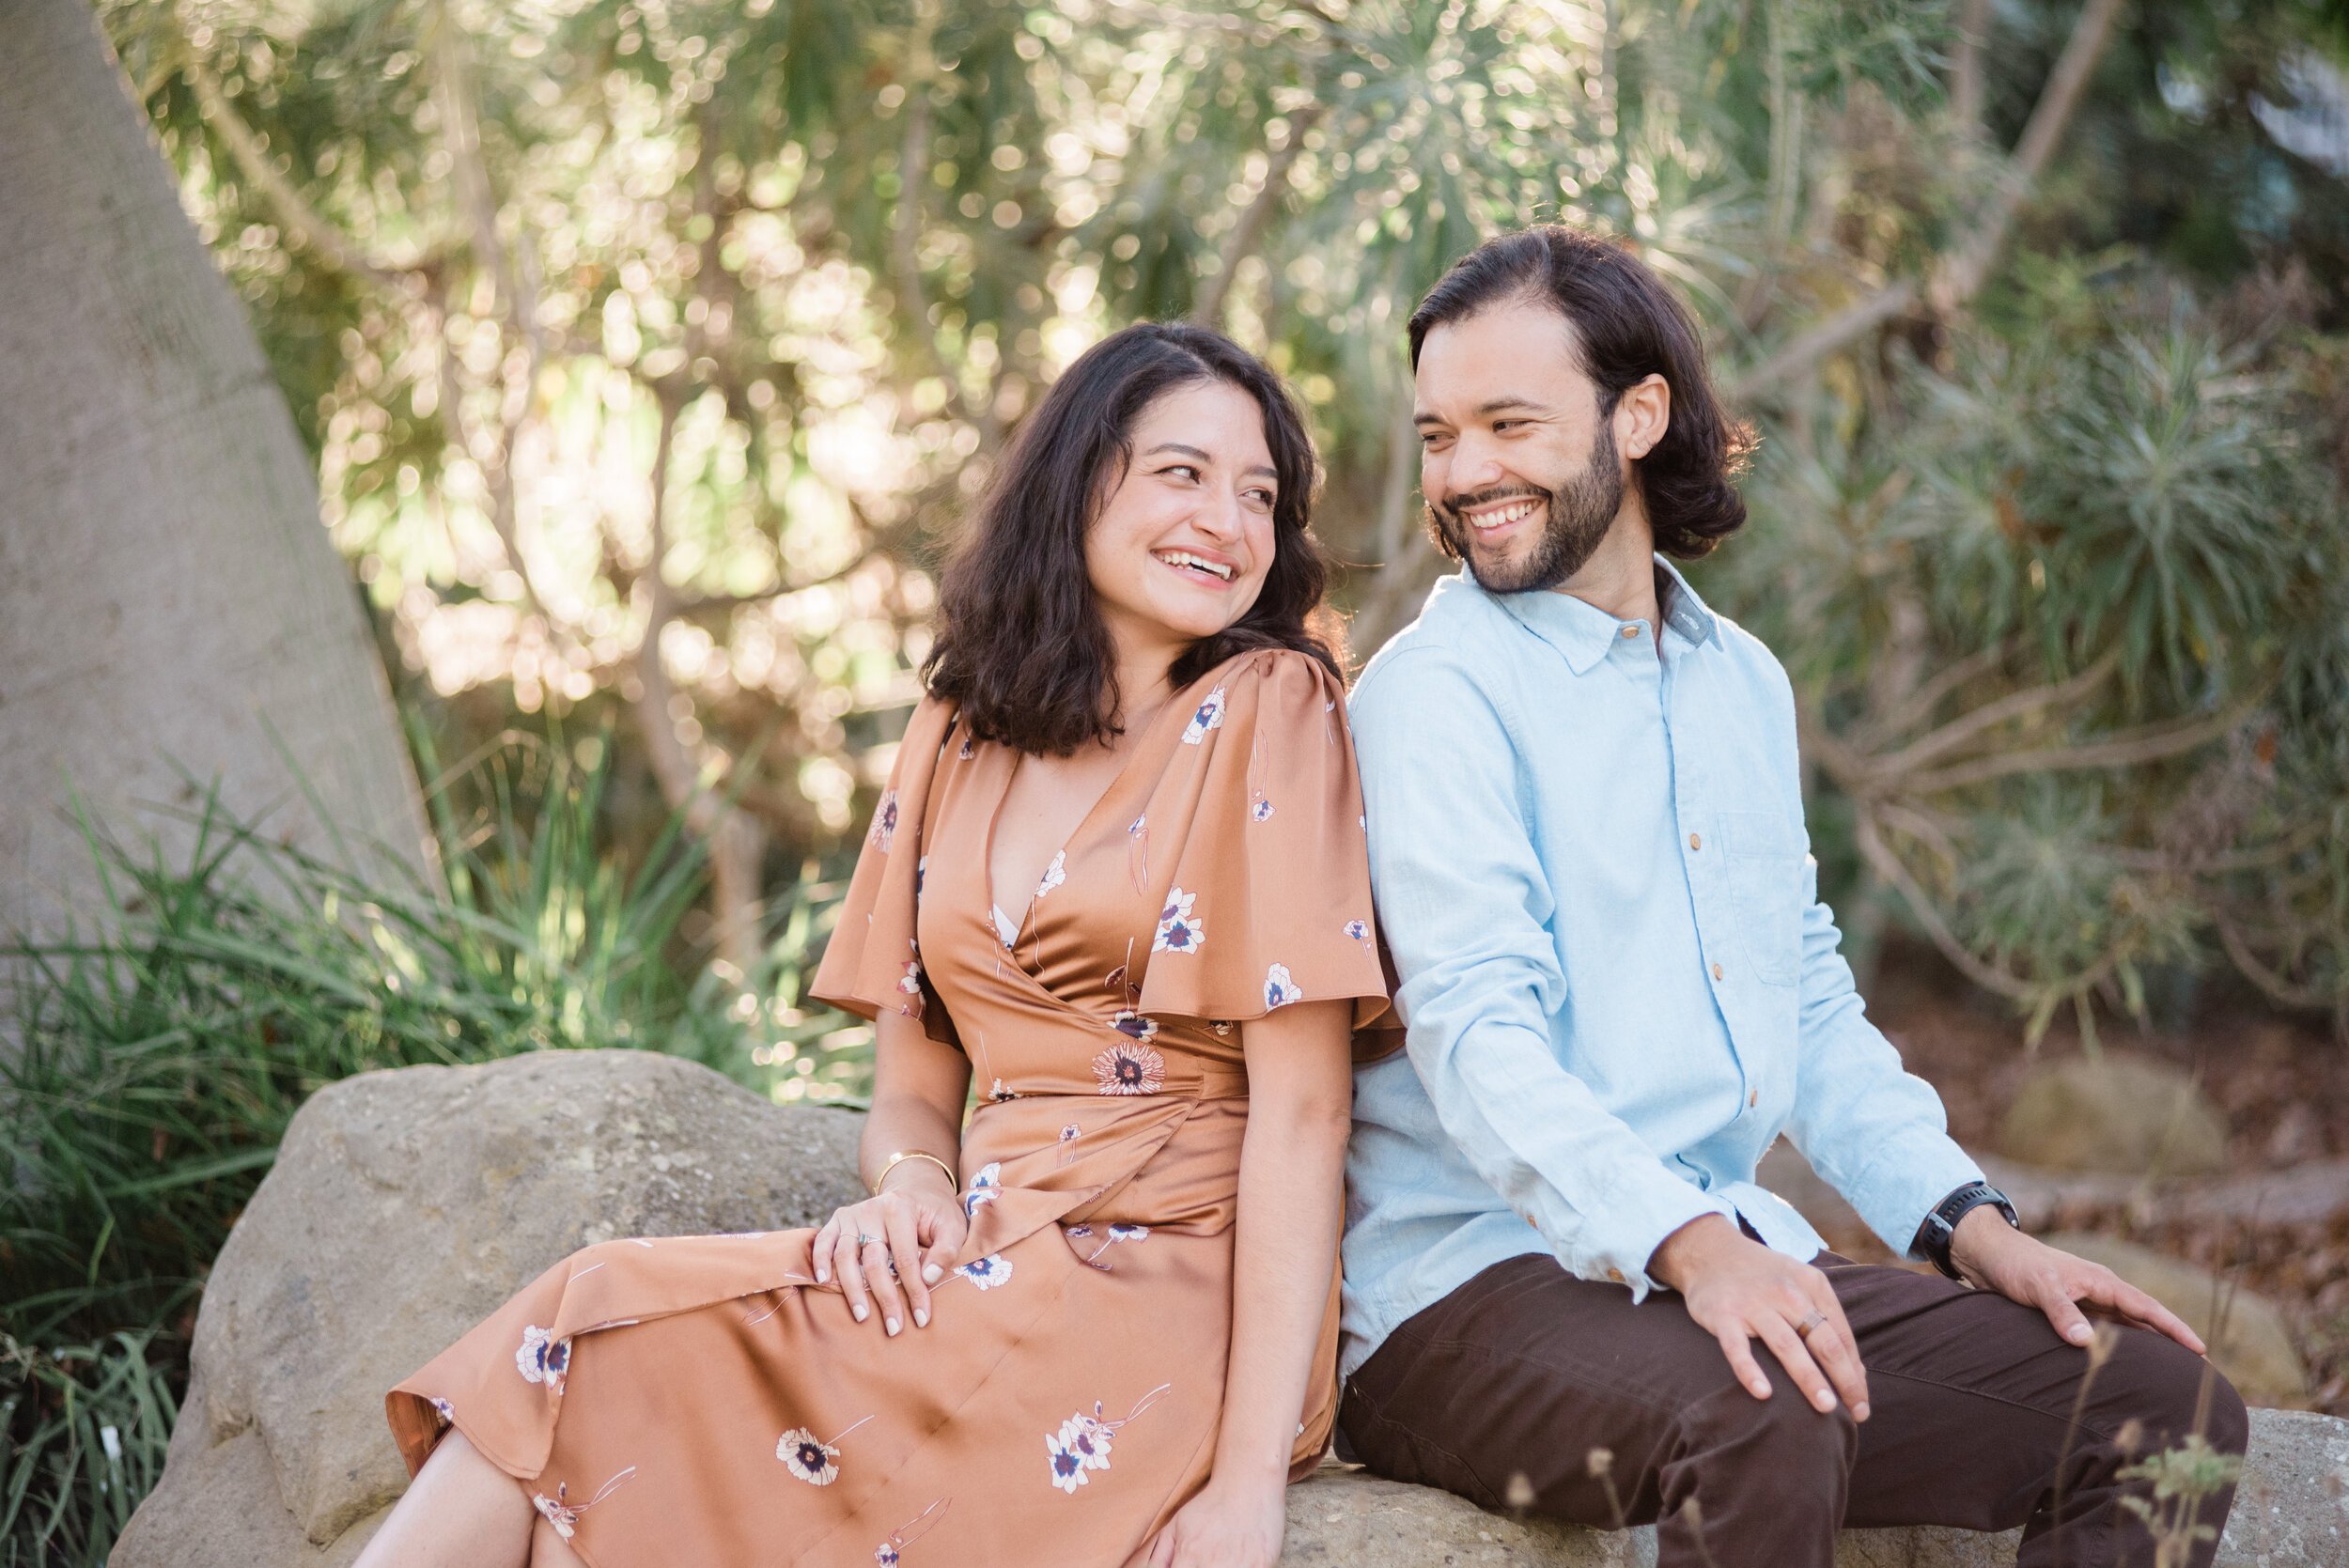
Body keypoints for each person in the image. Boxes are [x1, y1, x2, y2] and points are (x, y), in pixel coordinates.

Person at [357, 322, 1391, 1568]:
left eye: (1260, 494)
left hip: (1157, 1293)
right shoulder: (961, 728)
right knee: (580, 1438)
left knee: (583, 1330)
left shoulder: (1271, 708)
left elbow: (1302, 1117)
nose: (1227, 520)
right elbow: (912, 1087)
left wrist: (1246, 1487)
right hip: (982, 1250)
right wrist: (913, 1187)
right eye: (1182, 473)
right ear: (1079, 480)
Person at [1335, 225, 2248, 1568]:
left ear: (1637, 414)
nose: (1465, 474)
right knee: (1770, 1403)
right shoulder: (1433, 693)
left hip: (1713, 1267)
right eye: (1437, 435)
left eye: (1507, 423)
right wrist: (1699, 1248)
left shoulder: (1738, 682)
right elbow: (1476, 1037)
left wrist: (1973, 1228)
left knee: (2164, 1412)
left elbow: (1804, 998)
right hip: (1464, 1290)